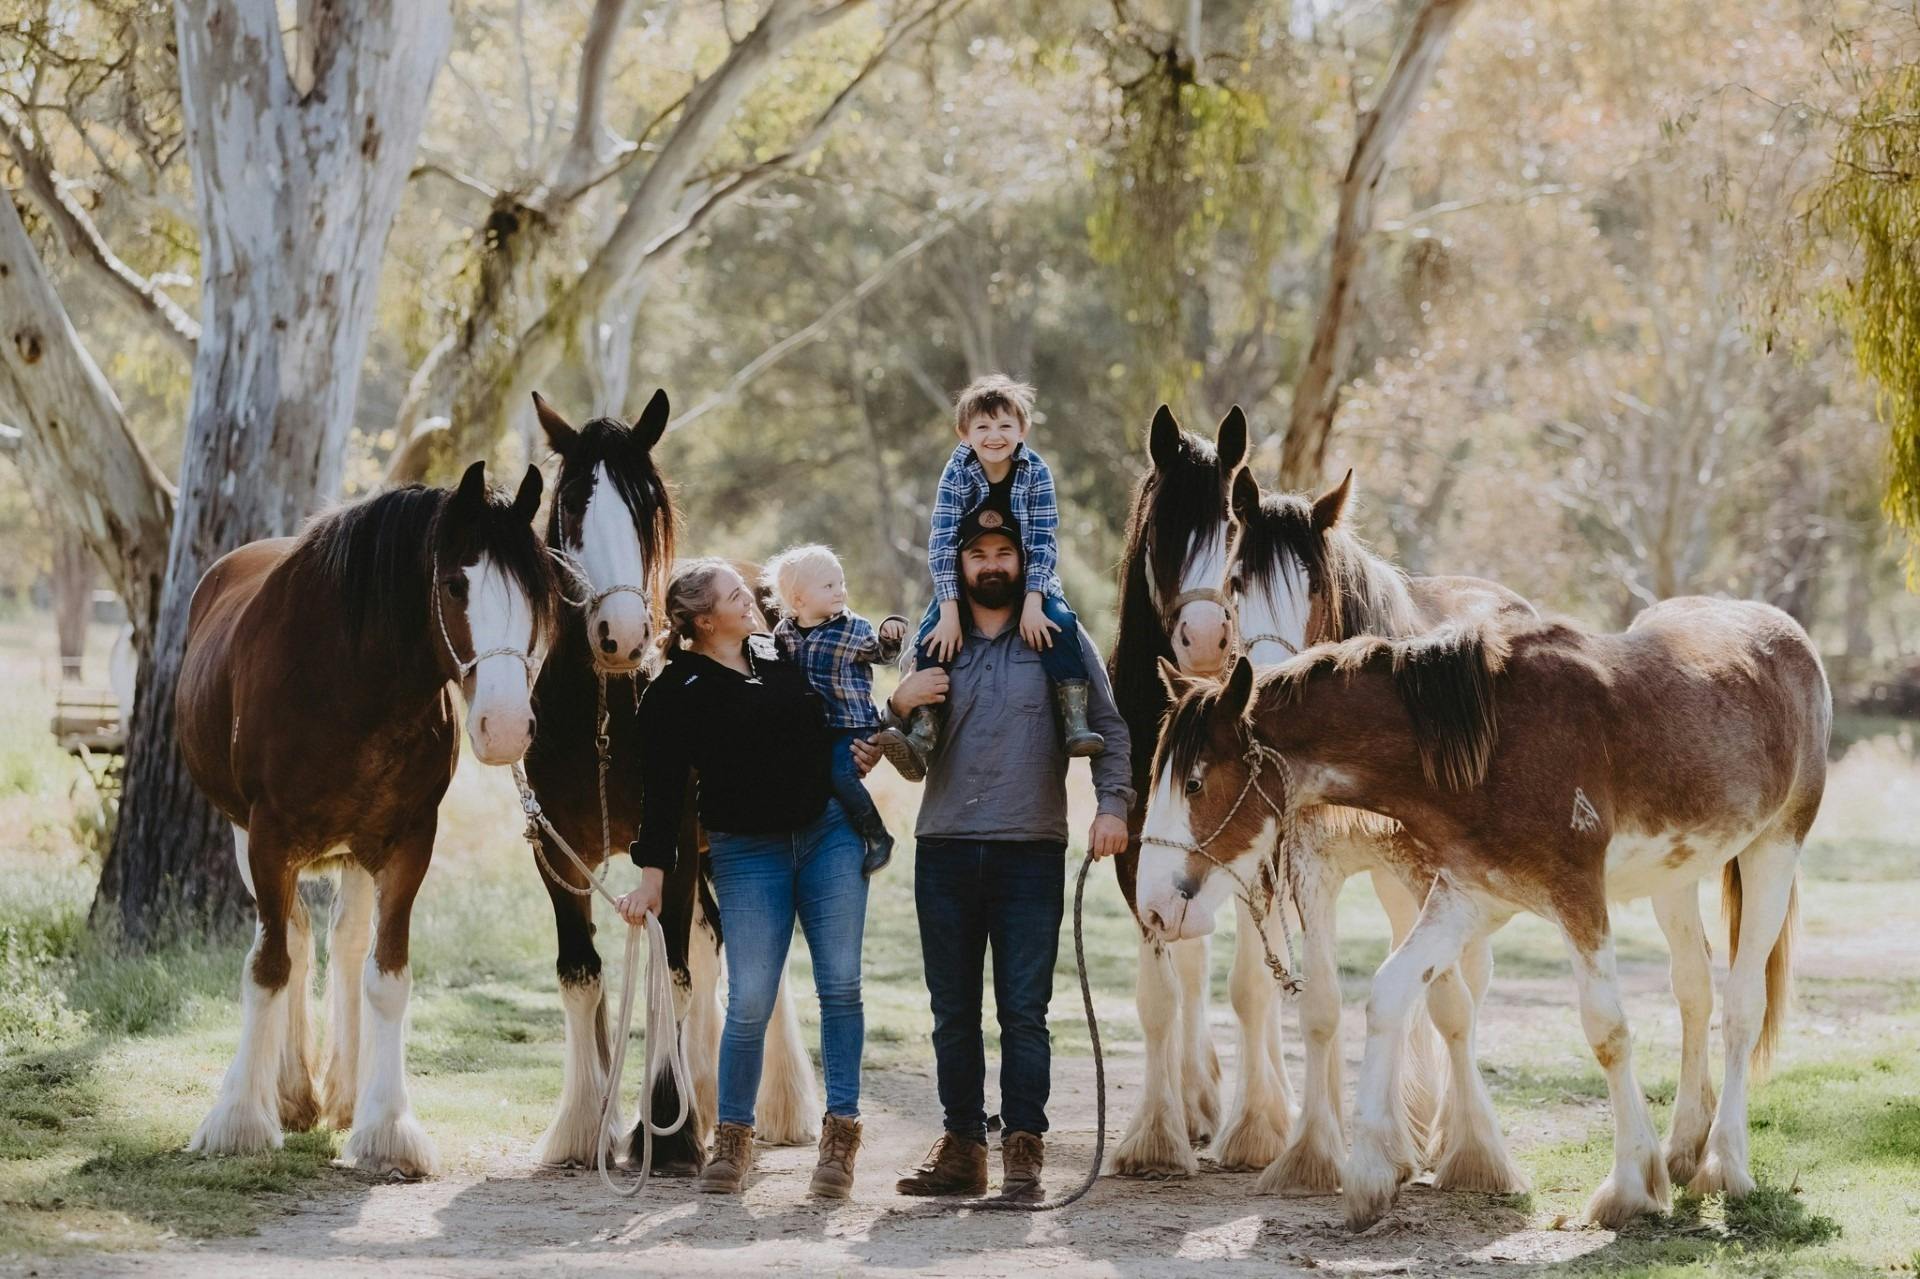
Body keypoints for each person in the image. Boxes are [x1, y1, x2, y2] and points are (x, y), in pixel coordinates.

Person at [865, 505, 1133, 1202]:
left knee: (1023, 1010)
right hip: (945, 849)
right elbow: (879, 748)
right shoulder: (933, 641)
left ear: (1024, 564)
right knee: (951, 1010)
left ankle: (1023, 1154)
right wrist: (896, 701)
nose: (990, 564)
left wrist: (1112, 805)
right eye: (977, 553)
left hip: (1030, 850)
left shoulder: (1059, 641)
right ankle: (961, 1150)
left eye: (1002, 553)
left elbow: (1109, 728)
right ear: (959, 566)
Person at [614, 558, 869, 1199]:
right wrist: (651, 881)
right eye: (735, 596)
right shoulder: (674, 693)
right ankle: (733, 1137)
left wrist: (871, 739)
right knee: (750, 996)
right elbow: (662, 799)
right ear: (704, 620)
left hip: (826, 836)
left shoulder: (781, 658)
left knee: (840, 984)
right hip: (746, 853)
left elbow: (840, 710)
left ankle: (840, 1137)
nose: (751, 600)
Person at [884, 375, 1104, 782]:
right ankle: (923, 732)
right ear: (964, 434)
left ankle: (1074, 720)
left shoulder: (1036, 472)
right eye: (982, 427)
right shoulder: (956, 472)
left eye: (1005, 426)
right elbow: (943, 541)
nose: (994, 436)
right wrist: (950, 610)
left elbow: (1042, 542)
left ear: (1023, 430)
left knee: (1061, 623)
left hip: (1026, 576)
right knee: (934, 633)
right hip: (966, 578)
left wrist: (1034, 602)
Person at [761, 543, 910, 877]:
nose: (840, 590)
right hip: (815, 727)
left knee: (840, 774)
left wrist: (889, 636)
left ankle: (877, 835)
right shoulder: (784, 632)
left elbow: (882, 656)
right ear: (798, 599)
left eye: (841, 582)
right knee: (810, 776)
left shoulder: (853, 627)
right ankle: (804, 844)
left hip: (852, 722)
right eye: (828, 586)